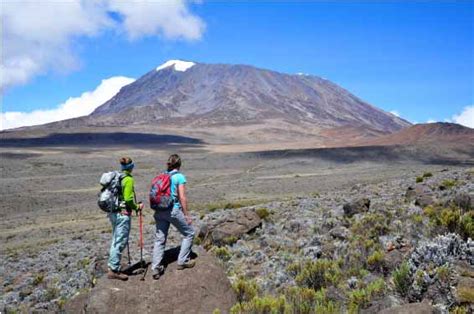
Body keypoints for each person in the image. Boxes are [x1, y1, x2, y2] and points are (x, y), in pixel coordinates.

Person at [152, 154, 195, 280]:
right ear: (179, 165)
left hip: (159, 210)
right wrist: (187, 215)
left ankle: (155, 268)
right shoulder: (179, 177)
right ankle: (182, 261)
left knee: (160, 239)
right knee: (190, 233)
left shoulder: (162, 176)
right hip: (172, 210)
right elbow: (182, 197)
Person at [107, 157, 144, 281]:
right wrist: (136, 206)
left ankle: (112, 266)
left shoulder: (118, 177)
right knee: (120, 241)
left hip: (114, 213)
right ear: (131, 167)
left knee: (116, 239)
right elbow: (128, 199)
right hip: (123, 214)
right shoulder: (127, 179)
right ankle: (114, 270)